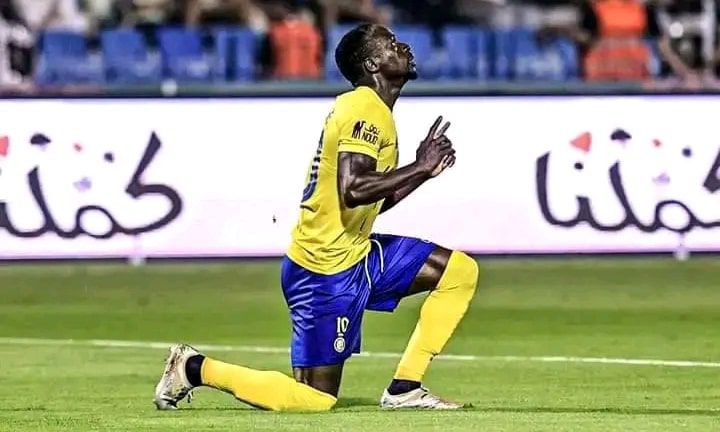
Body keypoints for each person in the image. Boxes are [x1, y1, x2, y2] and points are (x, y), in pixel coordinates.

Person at [153, 22, 480, 412]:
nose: (403, 46)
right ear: (372, 64)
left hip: (357, 252)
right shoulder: (364, 107)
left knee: (458, 271)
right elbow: (353, 189)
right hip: (324, 270)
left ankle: (405, 388)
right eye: (391, 44)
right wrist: (418, 167)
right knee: (315, 399)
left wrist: (423, 172)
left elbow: (367, 201)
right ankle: (194, 368)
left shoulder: (372, 110)